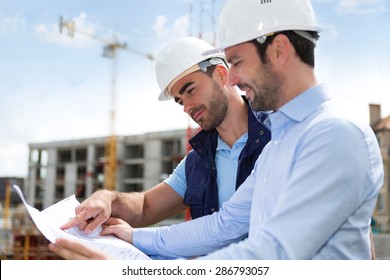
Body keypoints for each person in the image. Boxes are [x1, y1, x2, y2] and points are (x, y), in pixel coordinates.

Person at [49, 0, 383, 260]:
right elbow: (226, 225)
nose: (235, 78)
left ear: (279, 49)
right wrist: (134, 237)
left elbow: (272, 254)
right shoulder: (283, 140)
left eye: (236, 62)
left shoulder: (333, 135)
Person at [58, 37, 270, 232]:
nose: (187, 108)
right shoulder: (196, 163)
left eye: (190, 90)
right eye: (180, 101)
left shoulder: (279, 133)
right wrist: (108, 198)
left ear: (221, 74)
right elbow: (146, 206)